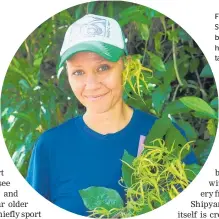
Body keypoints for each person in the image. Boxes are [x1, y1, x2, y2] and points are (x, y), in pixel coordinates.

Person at [26, 14, 197, 216]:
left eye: (103, 67)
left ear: (126, 65)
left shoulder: (165, 136)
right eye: (78, 72)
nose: (91, 85)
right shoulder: (50, 147)